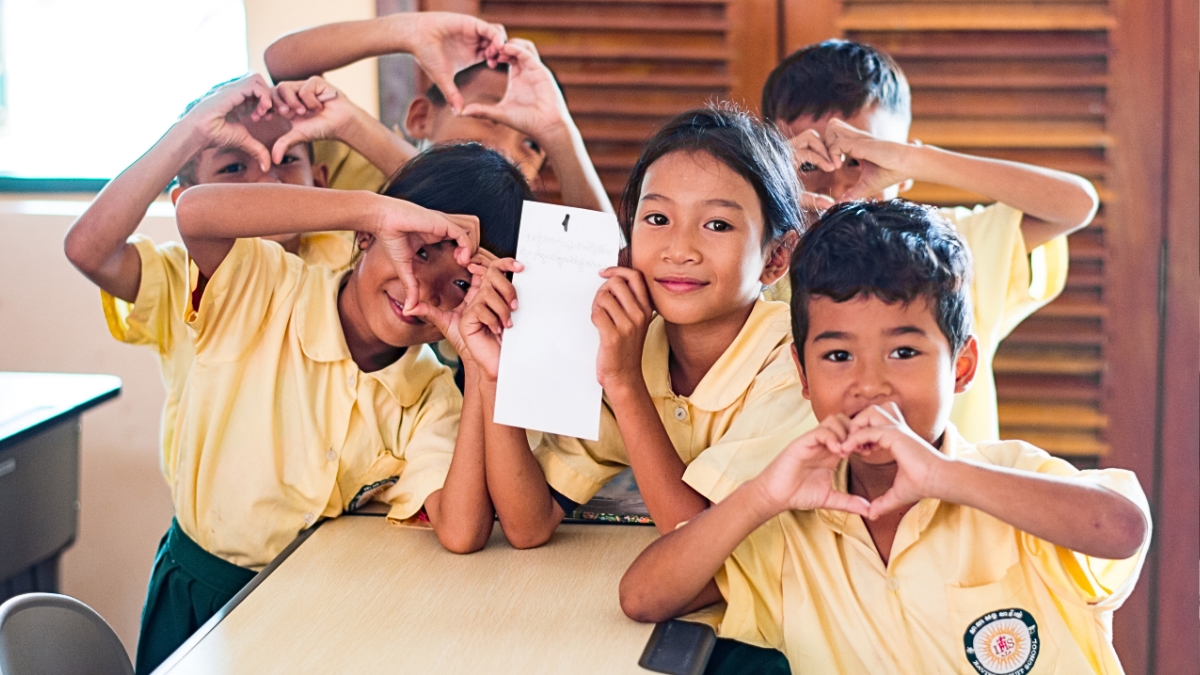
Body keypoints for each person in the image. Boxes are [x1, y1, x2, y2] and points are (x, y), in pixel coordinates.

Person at [619, 200, 1150, 675]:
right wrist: (761, 497)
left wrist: (944, 476)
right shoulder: (794, 530)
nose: (869, 384)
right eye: (837, 356)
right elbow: (643, 596)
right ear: (802, 376)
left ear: (961, 366)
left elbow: (1121, 528)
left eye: (903, 352)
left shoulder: (1011, 482)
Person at [127, 142, 530, 674]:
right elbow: (195, 211)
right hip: (200, 598)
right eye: (419, 249)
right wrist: (373, 207)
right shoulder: (268, 284)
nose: (419, 288)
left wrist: (480, 367)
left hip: (310, 613)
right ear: (368, 234)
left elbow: (460, 531)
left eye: (459, 282)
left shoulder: (429, 390)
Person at [64, 74, 412, 502]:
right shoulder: (179, 277)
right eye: (233, 167)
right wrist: (189, 132)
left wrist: (350, 124)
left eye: (287, 159)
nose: (266, 179)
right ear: (186, 199)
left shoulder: (354, 259)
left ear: (320, 181)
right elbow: (87, 250)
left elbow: (447, 214)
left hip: (340, 533)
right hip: (215, 555)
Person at [761, 39, 1100, 442]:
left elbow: (1075, 204)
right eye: (809, 163)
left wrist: (920, 160)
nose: (838, 186)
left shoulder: (953, 248)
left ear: (901, 167)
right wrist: (762, 181)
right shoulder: (758, 257)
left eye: (860, 158)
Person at [264, 11, 611, 213]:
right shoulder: (355, 166)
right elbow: (284, 65)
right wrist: (407, 31)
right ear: (420, 118)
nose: (507, 147)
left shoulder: (518, 236)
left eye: (535, 145)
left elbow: (605, 265)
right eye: (489, 117)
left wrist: (558, 130)